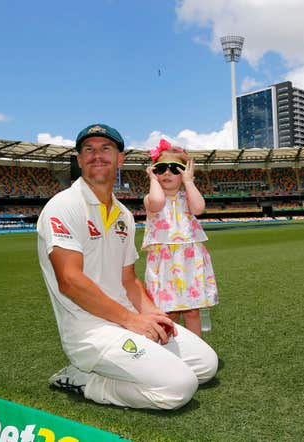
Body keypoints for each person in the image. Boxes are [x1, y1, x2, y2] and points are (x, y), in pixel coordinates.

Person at [37, 123, 218, 410]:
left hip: (128, 320)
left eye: (106, 148)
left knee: (207, 366)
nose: (97, 155)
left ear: (120, 159)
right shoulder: (64, 206)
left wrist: (153, 313)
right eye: (89, 149)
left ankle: (142, 363)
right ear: (80, 159)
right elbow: (69, 280)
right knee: (178, 388)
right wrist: (132, 320)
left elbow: (129, 280)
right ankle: (83, 379)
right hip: (91, 332)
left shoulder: (122, 214)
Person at [142, 139, 218, 337]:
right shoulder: (151, 197)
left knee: (192, 311)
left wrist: (189, 181)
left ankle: (198, 351)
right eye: (161, 168)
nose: (167, 173)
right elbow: (158, 202)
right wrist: (152, 179)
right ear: (154, 171)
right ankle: (173, 352)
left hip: (188, 260)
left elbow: (199, 209)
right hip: (165, 261)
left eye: (175, 169)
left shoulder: (187, 196)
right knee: (169, 313)